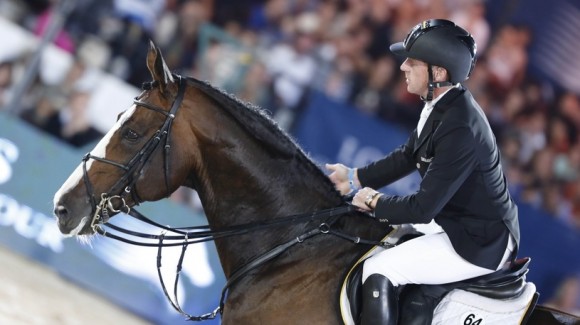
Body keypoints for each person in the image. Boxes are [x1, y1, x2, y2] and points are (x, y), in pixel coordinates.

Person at [326, 19, 520, 324]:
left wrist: (375, 201)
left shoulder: (460, 127)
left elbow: (423, 207)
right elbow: (408, 156)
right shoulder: (441, 103)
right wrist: (355, 177)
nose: (403, 67)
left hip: (477, 241)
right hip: (456, 222)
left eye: (412, 62)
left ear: (438, 73)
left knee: (380, 269)